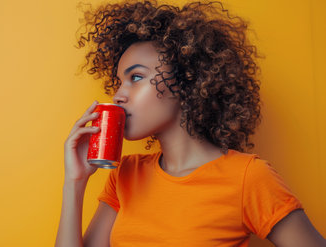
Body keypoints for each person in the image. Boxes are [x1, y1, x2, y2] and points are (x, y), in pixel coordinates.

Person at [55, 0, 326, 246]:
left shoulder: (249, 178)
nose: (117, 95)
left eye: (135, 77)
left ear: (186, 80)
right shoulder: (124, 175)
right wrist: (75, 181)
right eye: (118, 82)